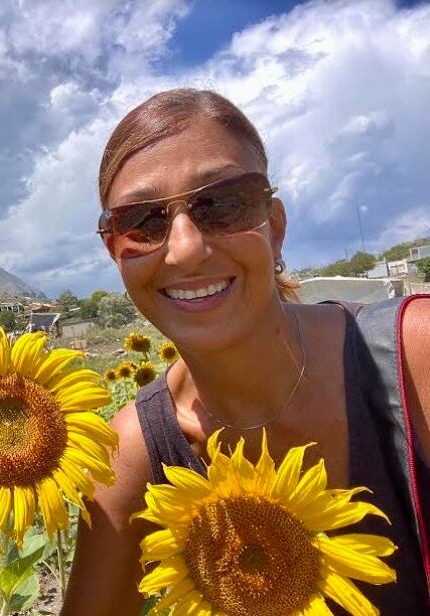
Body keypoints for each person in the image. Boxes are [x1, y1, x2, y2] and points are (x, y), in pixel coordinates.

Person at [62, 89, 430, 615]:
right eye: (143, 221)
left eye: (223, 203)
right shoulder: (133, 453)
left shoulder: (414, 358)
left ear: (273, 226)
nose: (185, 248)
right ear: (116, 252)